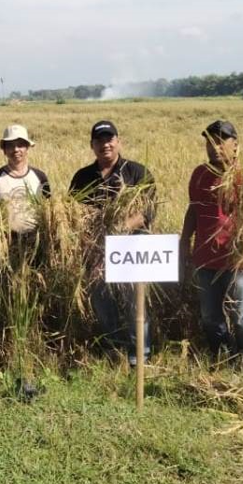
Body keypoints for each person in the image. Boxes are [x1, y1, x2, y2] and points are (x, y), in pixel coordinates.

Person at [68, 120, 157, 366]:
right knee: (101, 301)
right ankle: (112, 350)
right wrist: (90, 239)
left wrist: (118, 229)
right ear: (92, 145)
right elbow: (73, 213)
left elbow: (147, 211)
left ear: (118, 141)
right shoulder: (83, 176)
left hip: (131, 249)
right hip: (96, 248)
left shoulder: (137, 172)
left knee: (134, 301)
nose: (105, 144)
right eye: (99, 140)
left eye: (109, 139)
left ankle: (140, 354)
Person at [180, 120, 243, 366]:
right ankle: (225, 359)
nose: (214, 147)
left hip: (238, 257)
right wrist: (184, 241)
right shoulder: (200, 174)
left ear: (235, 145)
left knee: (242, 317)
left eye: (220, 141)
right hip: (205, 256)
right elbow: (193, 210)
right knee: (209, 316)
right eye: (209, 141)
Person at [0, 124, 52, 265]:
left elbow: (48, 209)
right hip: (5, 245)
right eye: (10, 145)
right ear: (4, 150)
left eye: (20, 145)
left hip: (36, 244)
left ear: (27, 148)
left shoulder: (40, 177)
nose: (16, 150)